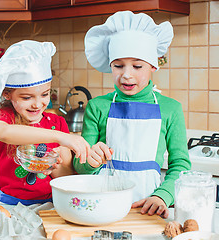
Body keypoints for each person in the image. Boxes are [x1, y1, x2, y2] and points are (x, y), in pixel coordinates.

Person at [73, 11, 191, 218]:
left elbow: (180, 165)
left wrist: (163, 196)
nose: (127, 74)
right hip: (102, 205)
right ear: (110, 66)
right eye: (118, 66)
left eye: (137, 66)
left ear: (154, 65)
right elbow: (79, 167)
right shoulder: (97, 106)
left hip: (149, 207)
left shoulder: (171, 109)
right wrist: (90, 160)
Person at [0, 40, 90, 206]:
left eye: (45, 94)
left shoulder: (57, 122)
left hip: (49, 207)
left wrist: (56, 166)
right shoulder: (2, 118)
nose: (38, 104)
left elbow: (65, 178)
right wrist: (59, 137)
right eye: (27, 97)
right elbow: (4, 133)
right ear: (7, 94)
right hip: (8, 207)